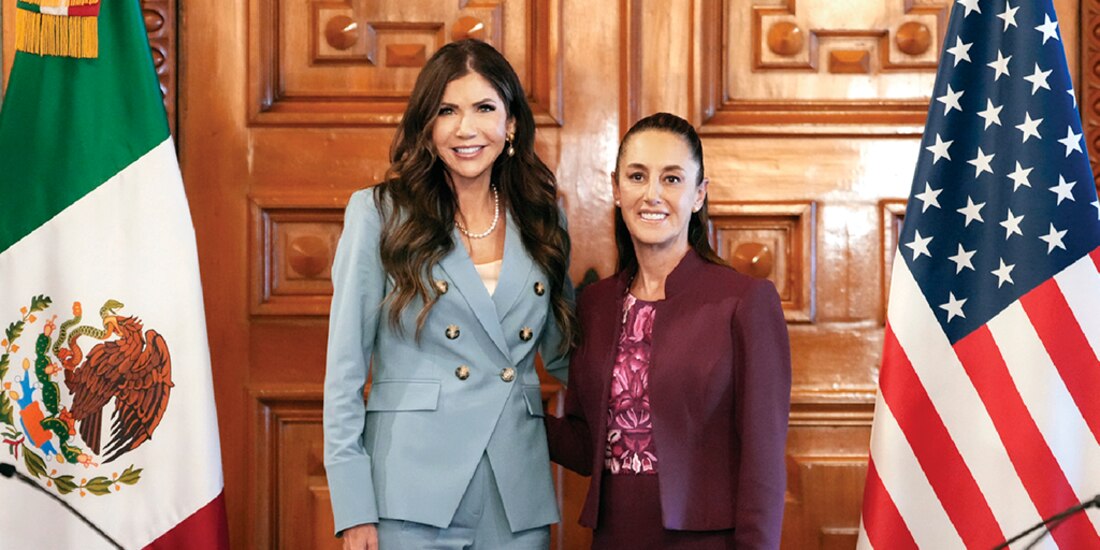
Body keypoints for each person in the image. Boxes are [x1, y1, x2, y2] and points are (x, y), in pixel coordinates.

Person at [323, 39, 576, 550]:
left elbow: (567, 354)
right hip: (410, 488)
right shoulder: (379, 213)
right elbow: (346, 367)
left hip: (515, 492)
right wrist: (354, 508)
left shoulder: (542, 217)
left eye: (484, 108)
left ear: (510, 124)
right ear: (427, 126)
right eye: (447, 111)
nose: (466, 129)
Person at [545, 112, 791, 549]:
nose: (652, 194)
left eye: (672, 179)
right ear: (617, 190)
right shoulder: (596, 305)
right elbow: (587, 447)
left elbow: (763, 462)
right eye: (638, 176)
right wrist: (509, 406)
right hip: (614, 536)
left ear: (699, 195)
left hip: (708, 541)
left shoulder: (746, 301)